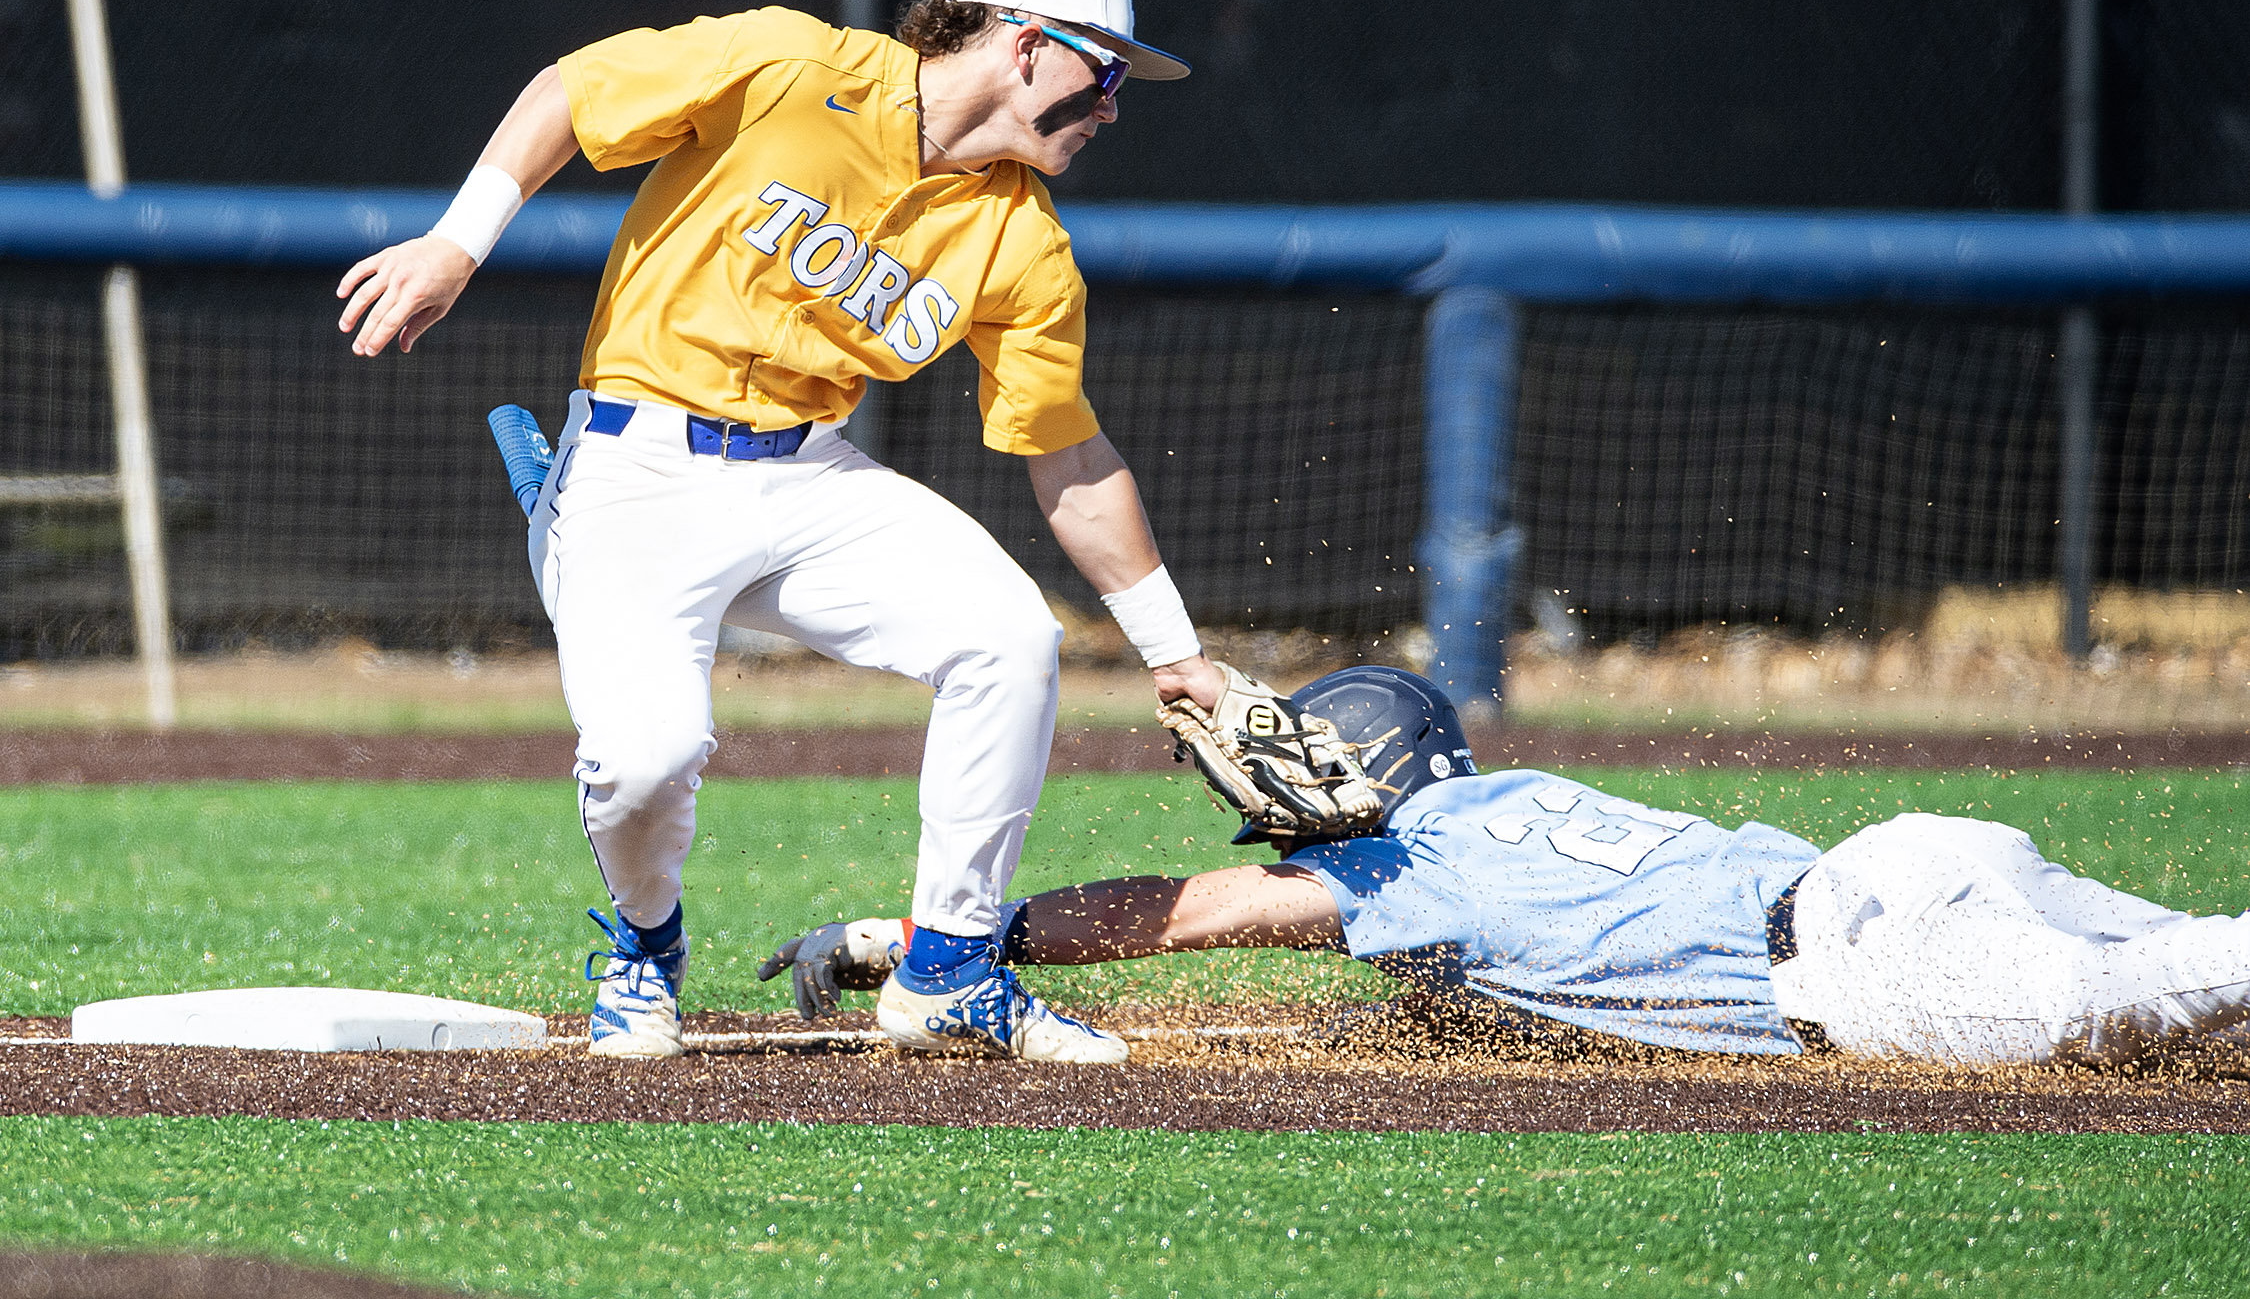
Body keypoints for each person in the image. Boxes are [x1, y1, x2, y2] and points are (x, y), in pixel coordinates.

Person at [338, 0, 1228, 1064]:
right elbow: (574, 90)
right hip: (637, 466)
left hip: (808, 477)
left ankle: (950, 969)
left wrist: (1171, 650)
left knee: (1008, 636)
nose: (1112, 104)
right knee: (645, 760)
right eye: (1104, 70)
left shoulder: (1024, 240)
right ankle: (647, 943)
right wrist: (458, 244)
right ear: (1022, 43)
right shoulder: (794, 68)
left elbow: (1068, 455)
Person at [766, 666, 2250, 1069]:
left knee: (2142, 1001)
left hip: (1864, 967)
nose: (1288, 806)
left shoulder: (1403, 865)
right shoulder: (1512, 795)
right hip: (1914, 858)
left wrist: (924, 939)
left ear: (1369, 772)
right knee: (2190, 970)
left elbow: (1187, 909)